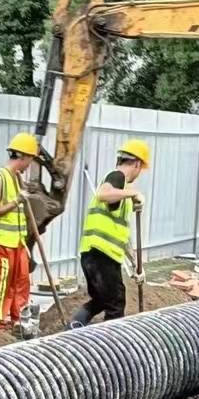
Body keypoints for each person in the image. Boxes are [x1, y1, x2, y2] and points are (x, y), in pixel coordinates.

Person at [70, 140, 150, 327]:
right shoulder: (117, 177)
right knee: (115, 303)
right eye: (141, 169)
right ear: (137, 164)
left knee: (101, 300)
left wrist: (136, 265)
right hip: (101, 256)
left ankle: (73, 327)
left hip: (92, 255)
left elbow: (122, 235)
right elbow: (103, 194)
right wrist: (132, 193)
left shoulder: (121, 190)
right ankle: (112, 348)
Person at [0, 132, 38, 327]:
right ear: (23, 156)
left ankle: (18, 320)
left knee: (20, 281)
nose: (30, 164)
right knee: (1, 282)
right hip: (2, 241)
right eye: (30, 159)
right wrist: (16, 201)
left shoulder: (15, 178)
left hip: (16, 240)